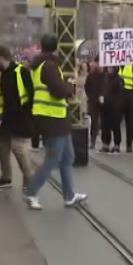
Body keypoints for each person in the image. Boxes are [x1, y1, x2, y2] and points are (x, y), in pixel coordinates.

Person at [24, 34, 87, 210]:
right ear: (55, 48)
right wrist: (71, 85)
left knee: (68, 157)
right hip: (52, 118)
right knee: (52, 159)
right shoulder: (49, 66)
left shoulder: (39, 65)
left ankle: (69, 195)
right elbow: (58, 90)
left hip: (55, 117)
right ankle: (31, 192)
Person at [0, 45, 35, 192]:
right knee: (3, 147)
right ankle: (6, 177)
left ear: (0, 57)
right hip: (7, 117)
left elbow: (30, 95)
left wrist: (26, 115)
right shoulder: (1, 73)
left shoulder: (21, 71)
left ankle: (29, 179)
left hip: (21, 117)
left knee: (18, 148)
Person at [99, 66, 125, 154]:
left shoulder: (119, 79)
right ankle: (105, 145)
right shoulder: (104, 78)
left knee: (115, 127)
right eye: (109, 67)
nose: (109, 69)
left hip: (115, 108)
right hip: (105, 106)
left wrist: (118, 106)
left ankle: (116, 145)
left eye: (111, 68)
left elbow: (121, 94)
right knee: (105, 126)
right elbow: (102, 90)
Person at [83, 58, 104, 149]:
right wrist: (91, 97)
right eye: (97, 63)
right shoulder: (91, 76)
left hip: (105, 102)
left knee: (105, 122)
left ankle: (105, 143)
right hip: (93, 101)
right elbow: (86, 87)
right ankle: (93, 141)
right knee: (94, 122)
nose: (99, 65)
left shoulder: (105, 75)